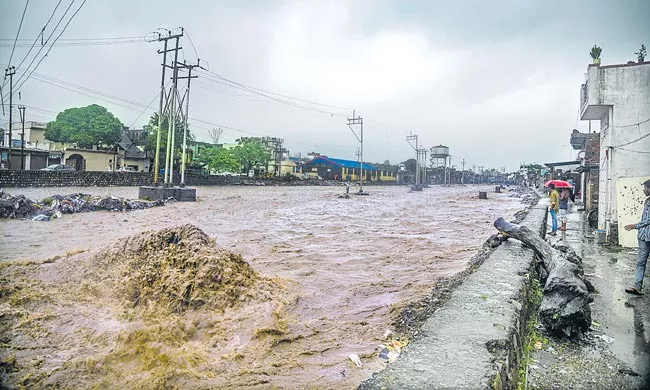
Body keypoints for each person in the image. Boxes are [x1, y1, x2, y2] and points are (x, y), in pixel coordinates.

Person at [624, 179, 650, 296]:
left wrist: (635, 226)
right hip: (643, 236)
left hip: (645, 233)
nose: (643, 190)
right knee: (641, 262)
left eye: (645, 188)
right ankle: (637, 286)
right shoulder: (647, 201)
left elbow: (648, 220)